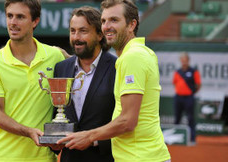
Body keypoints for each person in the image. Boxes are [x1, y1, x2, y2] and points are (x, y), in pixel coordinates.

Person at [57, 0, 171, 161]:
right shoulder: (139, 53)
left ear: (132, 25)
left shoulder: (132, 57)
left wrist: (88, 136)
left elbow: (127, 121)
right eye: (104, 21)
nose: (107, 26)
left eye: (114, 20)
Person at [0, 0, 65, 161]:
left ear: (35, 21)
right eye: (9, 16)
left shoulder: (55, 56)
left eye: (20, 17)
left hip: (43, 158)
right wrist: (28, 131)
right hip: (4, 156)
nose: (13, 22)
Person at [54, 6, 116, 162]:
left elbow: (125, 123)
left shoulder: (117, 67)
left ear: (100, 34)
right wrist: (53, 142)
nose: (76, 37)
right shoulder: (61, 68)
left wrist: (93, 140)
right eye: (72, 31)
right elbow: (56, 114)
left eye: (83, 31)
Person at [172, 52, 201, 144]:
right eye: (182, 60)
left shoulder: (194, 71)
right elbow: (174, 83)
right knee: (177, 118)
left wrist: (191, 93)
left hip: (189, 98)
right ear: (181, 61)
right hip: (178, 98)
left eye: (185, 60)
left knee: (190, 118)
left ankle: (192, 139)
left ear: (188, 61)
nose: (184, 62)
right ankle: (174, 138)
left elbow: (198, 84)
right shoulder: (177, 72)